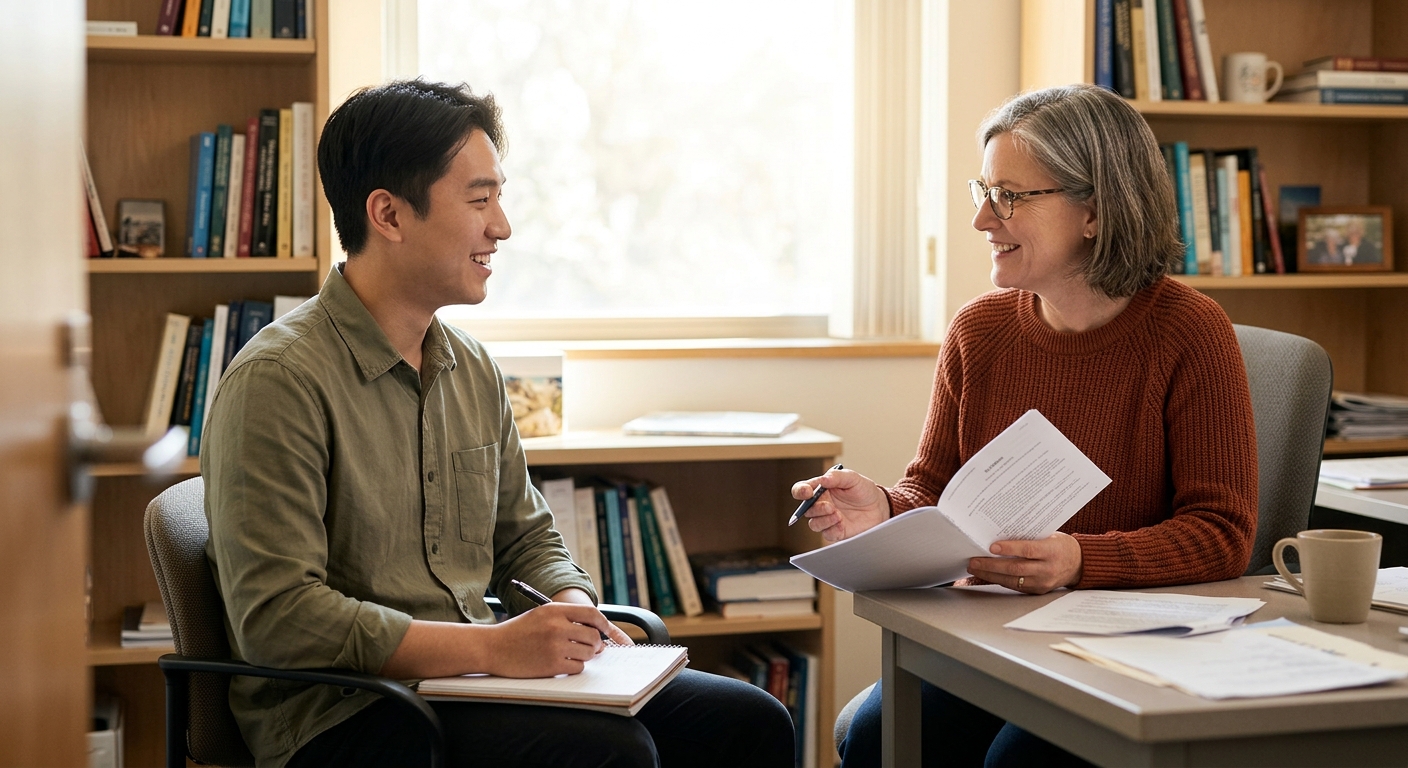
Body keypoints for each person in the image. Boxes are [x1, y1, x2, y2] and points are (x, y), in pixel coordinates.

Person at [202, 79, 794, 768]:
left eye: (499, 199)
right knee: (612, 753)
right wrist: (493, 648)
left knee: (752, 722)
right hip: (343, 711)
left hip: (472, 682)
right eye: (479, 201)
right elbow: (279, 618)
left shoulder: (472, 368)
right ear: (388, 215)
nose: (502, 227)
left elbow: (527, 534)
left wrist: (573, 612)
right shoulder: (279, 380)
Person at [794, 83, 1257, 768]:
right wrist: (886, 507)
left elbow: (1223, 535)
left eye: (1009, 196)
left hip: (1133, 645)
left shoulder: (1190, 332)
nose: (983, 219)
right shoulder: (979, 330)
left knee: (1019, 762)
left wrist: (1079, 560)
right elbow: (936, 489)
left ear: (1095, 211)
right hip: (1000, 631)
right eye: (982, 190)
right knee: (876, 734)